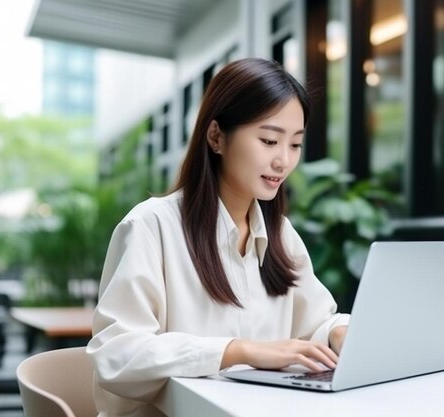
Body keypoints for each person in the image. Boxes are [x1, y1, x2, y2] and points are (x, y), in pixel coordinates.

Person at [87, 57, 350, 417]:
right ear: (216, 137)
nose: (283, 161)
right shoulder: (152, 226)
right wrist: (236, 351)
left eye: (295, 145)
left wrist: (340, 331)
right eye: (270, 140)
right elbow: (116, 355)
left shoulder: (279, 235)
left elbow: (314, 323)